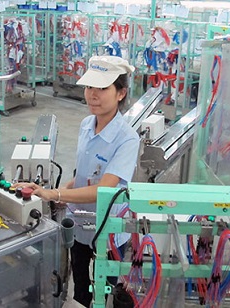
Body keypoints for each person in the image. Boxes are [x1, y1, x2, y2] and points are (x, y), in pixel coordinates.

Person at [16, 55, 139, 307]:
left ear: (120, 93)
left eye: (102, 88)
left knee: (106, 291)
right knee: (81, 287)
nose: (92, 94)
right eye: (89, 86)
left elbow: (104, 188)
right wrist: (60, 191)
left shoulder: (127, 139)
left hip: (109, 228)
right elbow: (83, 175)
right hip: (81, 223)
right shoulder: (86, 124)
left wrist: (55, 195)